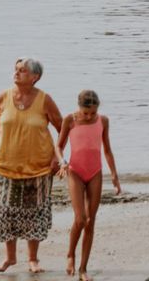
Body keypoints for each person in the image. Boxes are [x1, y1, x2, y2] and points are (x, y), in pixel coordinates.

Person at [0, 57, 64, 274]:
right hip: (4, 164)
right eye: (16, 69)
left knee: (33, 212)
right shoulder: (3, 96)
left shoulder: (45, 100)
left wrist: (57, 157)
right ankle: (10, 258)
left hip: (38, 166)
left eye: (22, 70)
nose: (16, 73)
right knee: (5, 211)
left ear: (35, 77)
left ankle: (33, 259)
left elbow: (63, 128)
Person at [55, 89, 120, 281]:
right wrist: (62, 162)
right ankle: (70, 254)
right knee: (80, 219)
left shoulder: (103, 121)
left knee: (91, 221)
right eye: (86, 113)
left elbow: (107, 150)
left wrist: (114, 175)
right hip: (75, 171)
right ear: (79, 108)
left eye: (93, 112)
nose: (90, 116)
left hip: (95, 172)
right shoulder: (70, 120)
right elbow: (58, 146)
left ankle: (83, 269)